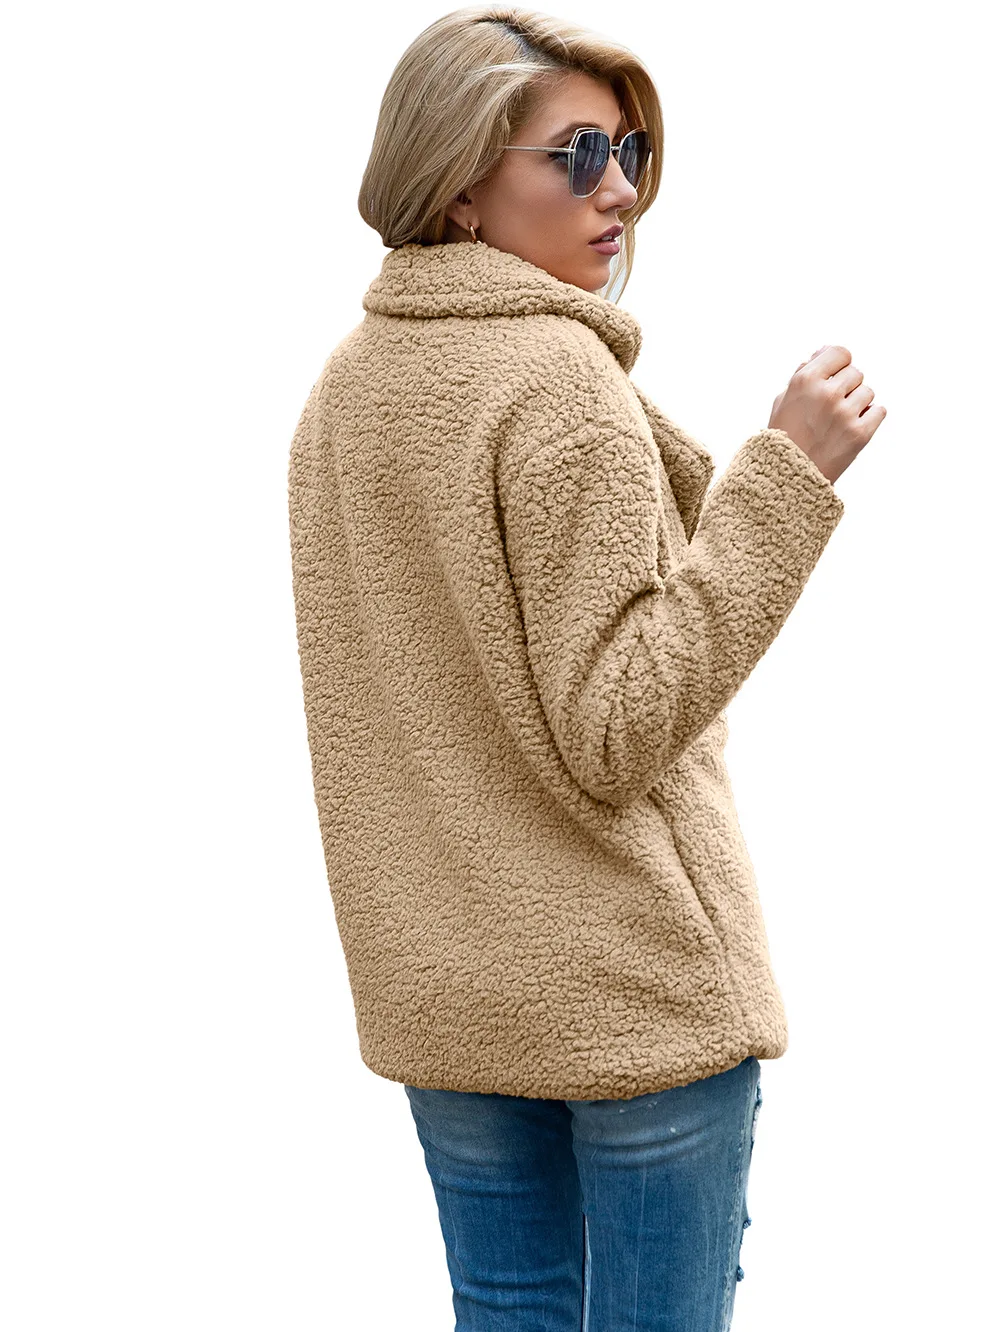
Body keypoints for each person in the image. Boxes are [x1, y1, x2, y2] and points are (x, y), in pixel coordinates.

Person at [287, 7, 885, 1328]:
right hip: (629, 995)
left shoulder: (348, 386)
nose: (619, 190)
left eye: (629, 151)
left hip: (448, 985)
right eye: (576, 155)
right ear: (458, 186)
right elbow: (619, 723)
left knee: (509, 1310)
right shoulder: (556, 383)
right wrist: (785, 479)